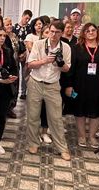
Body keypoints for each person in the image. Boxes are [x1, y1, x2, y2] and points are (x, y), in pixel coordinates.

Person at [25, 20, 71, 160]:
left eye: (57, 32)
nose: (53, 35)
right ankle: (33, 143)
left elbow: (67, 68)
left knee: (56, 118)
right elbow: (30, 64)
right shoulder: (39, 44)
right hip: (35, 83)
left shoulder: (66, 47)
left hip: (53, 84)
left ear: (61, 33)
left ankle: (61, 148)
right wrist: (44, 60)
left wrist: (59, 63)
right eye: (52, 31)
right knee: (33, 116)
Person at [71, 23, 99, 148]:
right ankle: (81, 136)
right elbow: (72, 67)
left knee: (98, 110)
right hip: (80, 84)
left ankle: (92, 136)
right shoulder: (77, 47)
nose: (91, 32)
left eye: (93, 30)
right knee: (80, 110)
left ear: (97, 31)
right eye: (87, 31)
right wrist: (69, 85)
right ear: (83, 33)